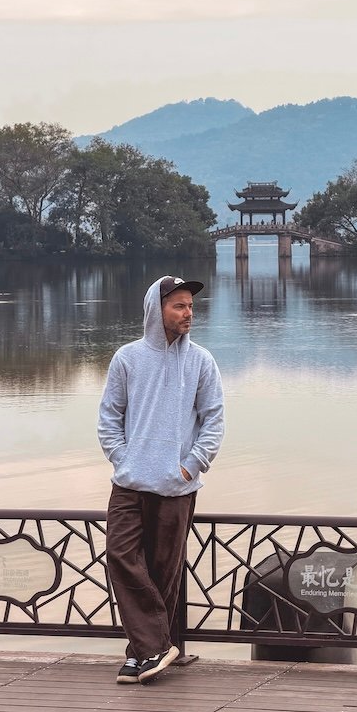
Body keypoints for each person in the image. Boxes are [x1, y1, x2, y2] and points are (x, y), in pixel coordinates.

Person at [98, 275, 224, 685]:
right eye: (179, 306)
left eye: (191, 306)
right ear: (158, 309)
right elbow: (109, 417)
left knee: (162, 573)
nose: (189, 313)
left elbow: (214, 420)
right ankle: (155, 647)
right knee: (120, 556)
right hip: (129, 484)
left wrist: (191, 465)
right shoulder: (127, 358)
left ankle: (141, 655)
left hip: (175, 486)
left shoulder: (201, 360)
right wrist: (124, 460)